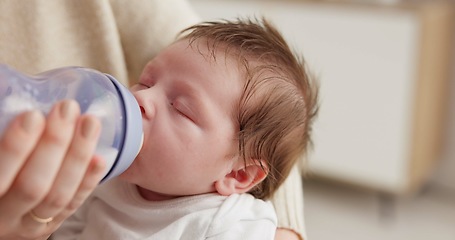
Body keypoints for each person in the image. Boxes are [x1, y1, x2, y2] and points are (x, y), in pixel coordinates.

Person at [0, 1, 310, 239]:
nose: (141, 99)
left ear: (239, 175)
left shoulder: (226, 224)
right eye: (146, 81)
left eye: (180, 108)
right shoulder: (101, 184)